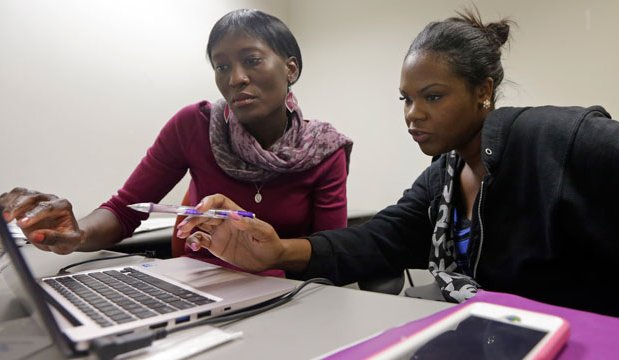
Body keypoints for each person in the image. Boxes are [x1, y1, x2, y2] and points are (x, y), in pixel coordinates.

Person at [172, 9, 619, 317]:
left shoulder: (550, 137)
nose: (413, 113)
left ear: (482, 90)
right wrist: (277, 251)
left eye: (433, 97)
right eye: (406, 99)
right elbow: (380, 240)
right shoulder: (443, 177)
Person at [0, 9, 353, 278]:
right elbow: (126, 210)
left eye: (252, 60)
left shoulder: (323, 149)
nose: (236, 78)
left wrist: (273, 258)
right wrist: (78, 234)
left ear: (290, 68)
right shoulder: (194, 126)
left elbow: (330, 253)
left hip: (283, 292)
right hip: (196, 283)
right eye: (221, 66)